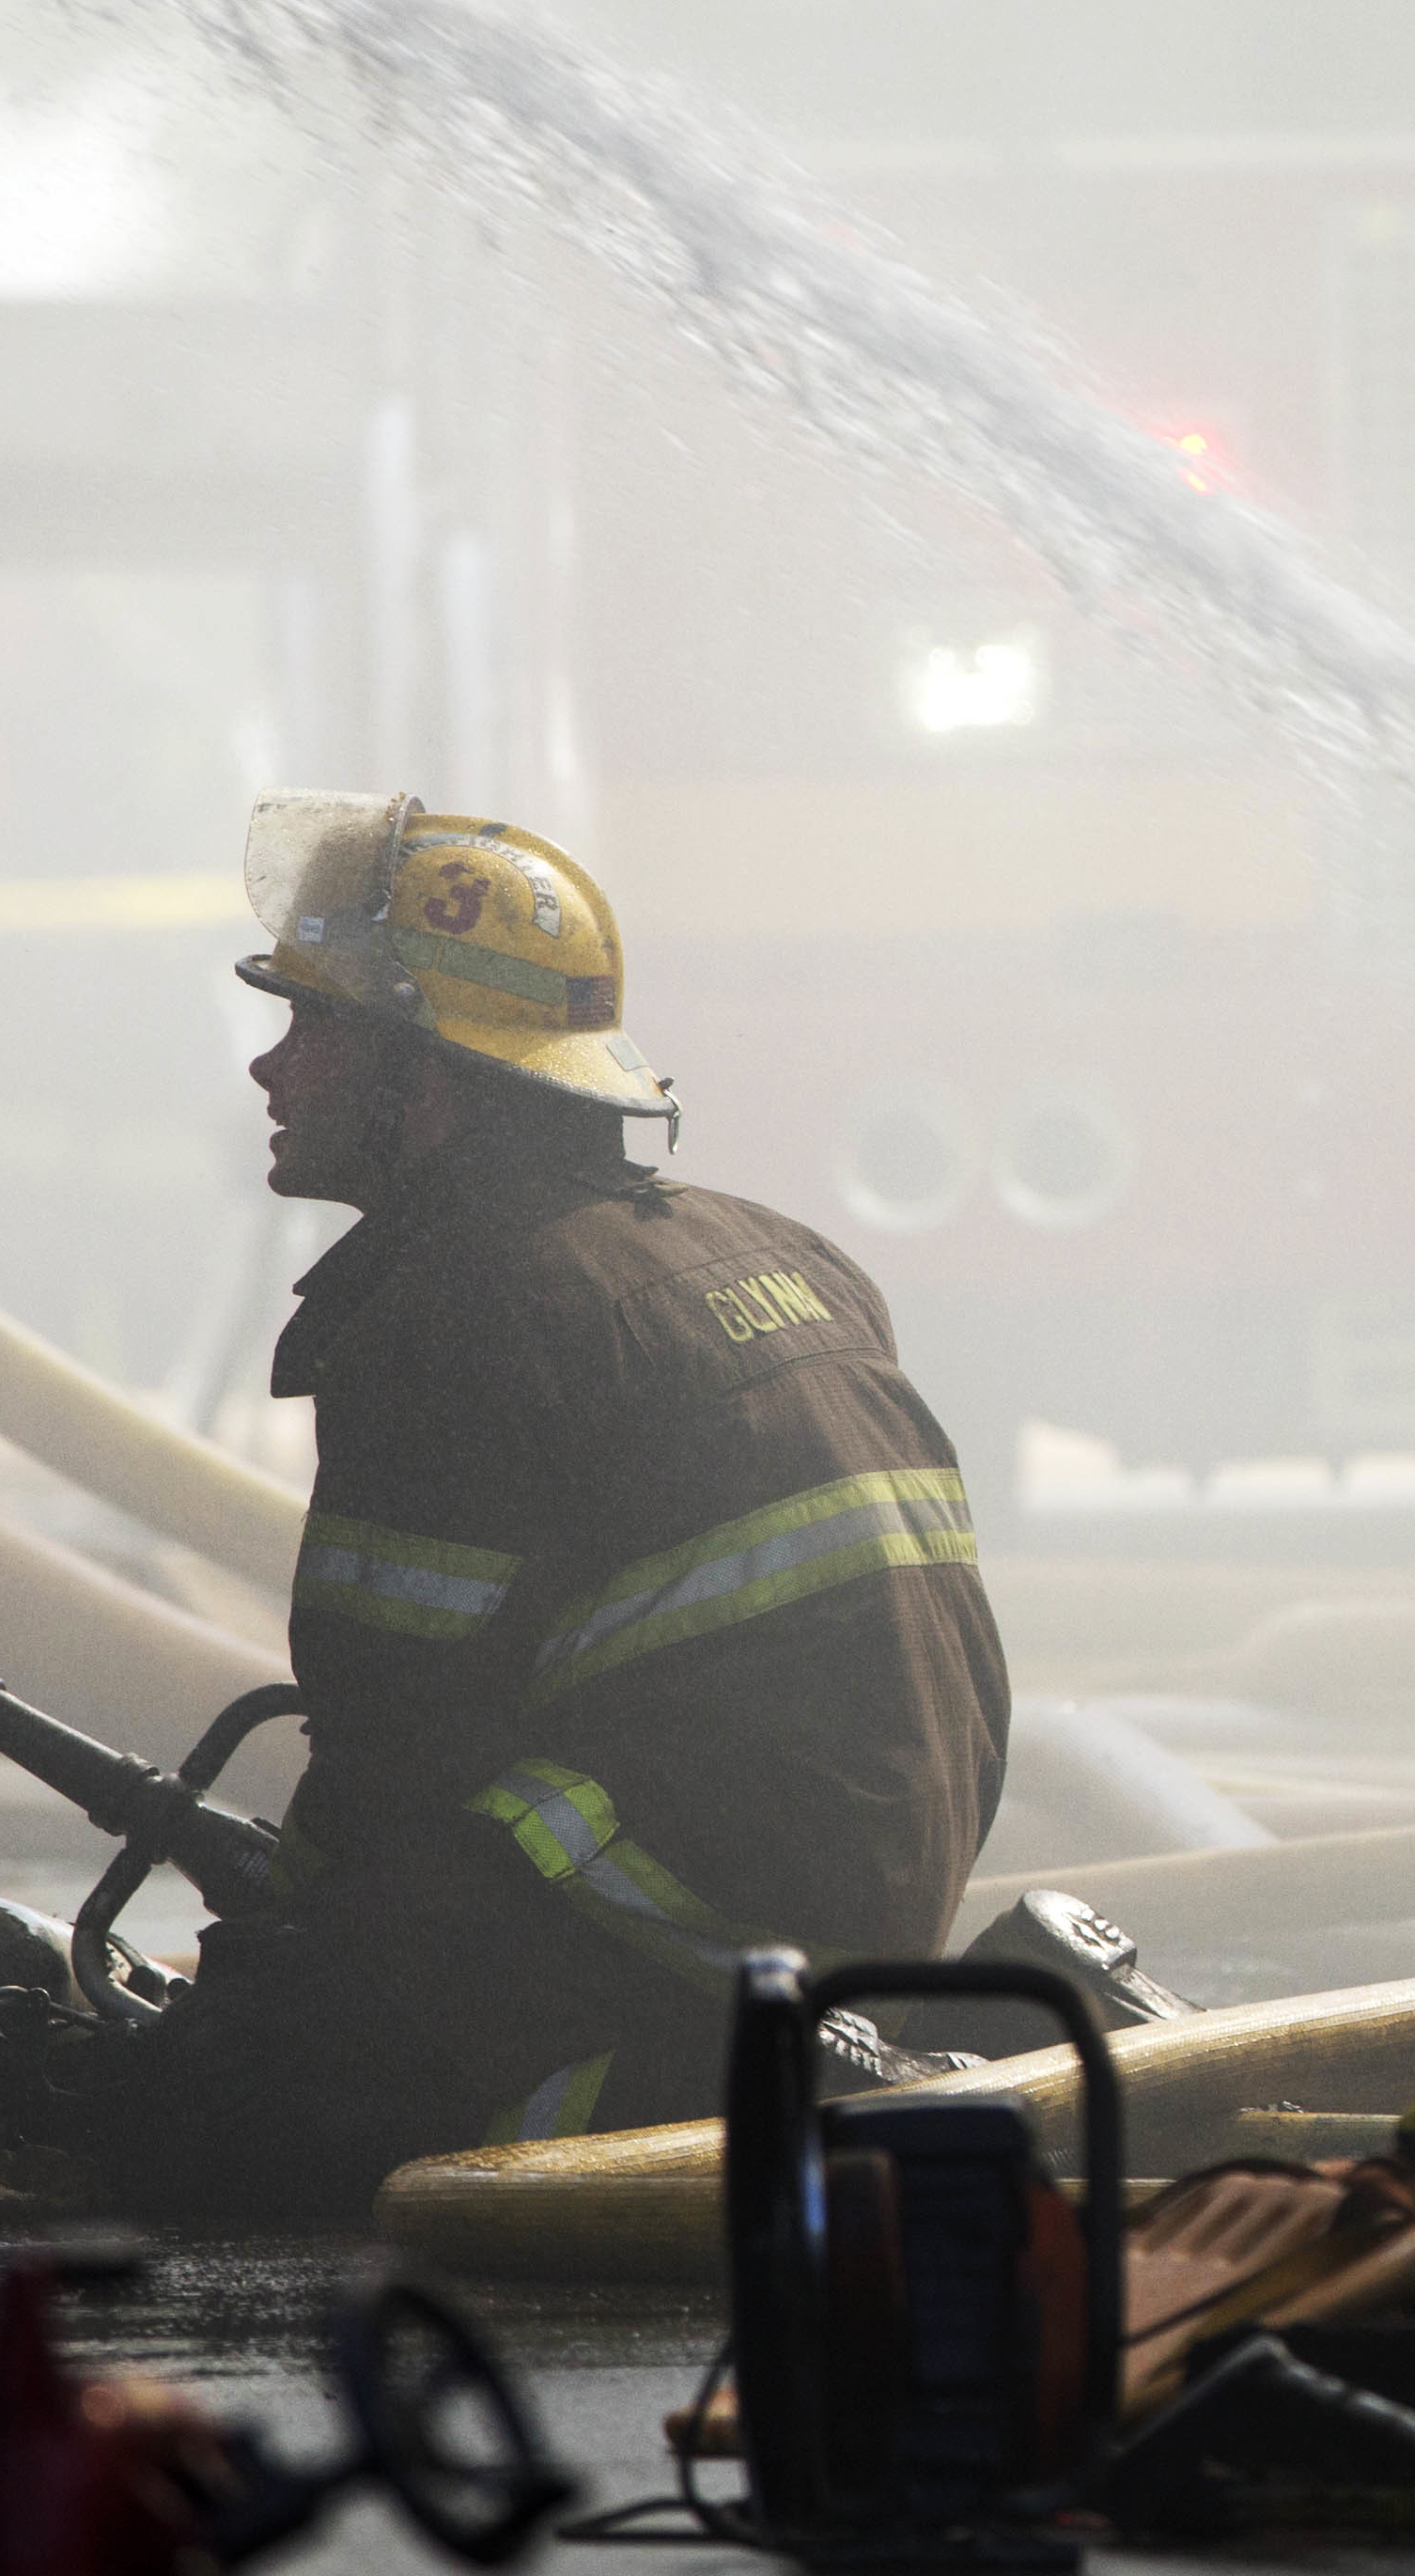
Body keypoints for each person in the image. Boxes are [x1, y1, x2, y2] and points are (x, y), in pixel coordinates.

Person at [113, 791, 1011, 2211]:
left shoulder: (460, 1316)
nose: (271, 1070)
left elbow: (390, 1741)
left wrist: (276, 1986)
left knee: (218, 2118)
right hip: (869, 1902)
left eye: (316, 1029)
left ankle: (631, 2138)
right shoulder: (774, 1248)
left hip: (682, 1924)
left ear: (428, 1082)